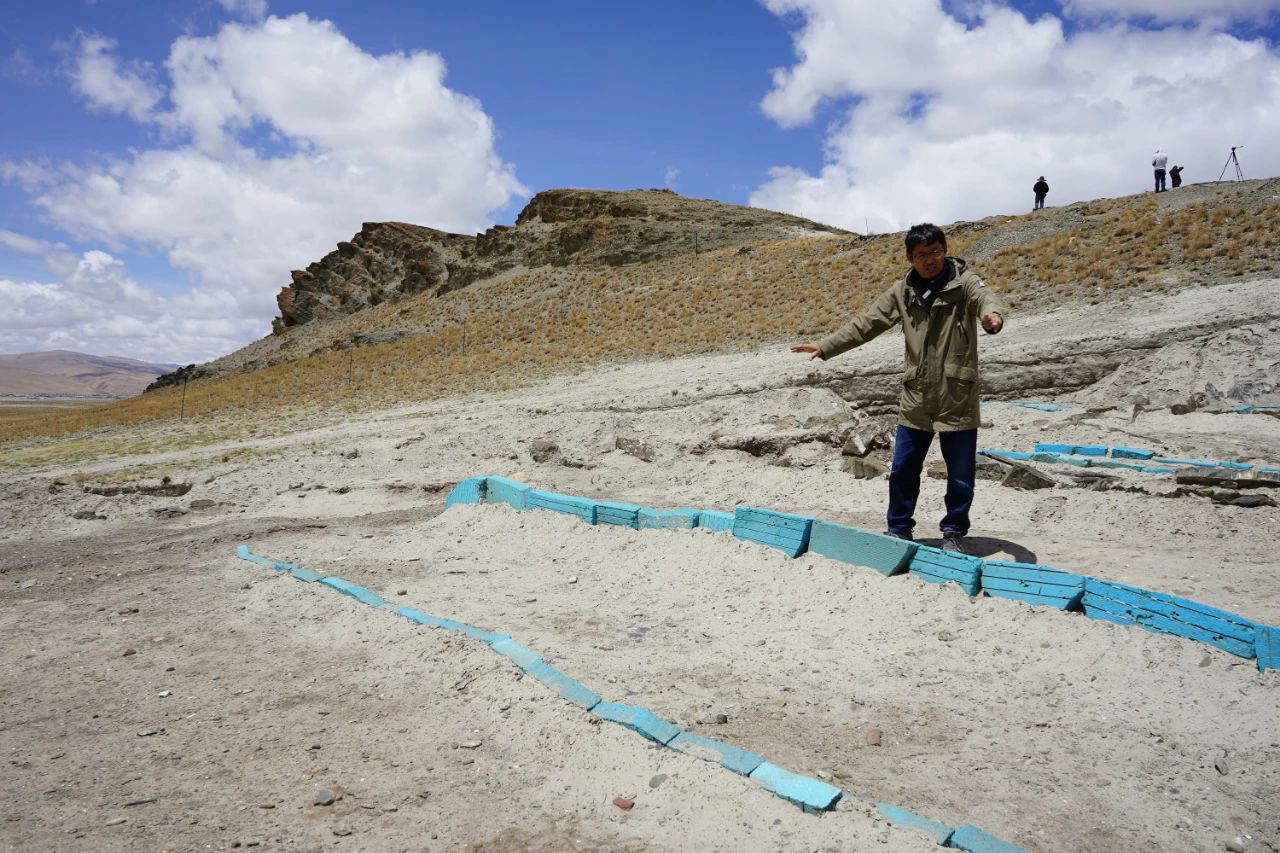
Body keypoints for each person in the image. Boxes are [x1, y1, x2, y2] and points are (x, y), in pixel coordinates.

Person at [791, 223, 1008, 554]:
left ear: (944, 250)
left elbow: (985, 298)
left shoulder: (963, 283)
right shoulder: (902, 292)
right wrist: (826, 346)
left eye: (935, 252)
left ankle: (953, 532)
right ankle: (899, 529)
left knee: (961, 474)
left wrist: (992, 316)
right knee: (903, 469)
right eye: (922, 255)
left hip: (957, 396)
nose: (930, 260)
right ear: (910, 257)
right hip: (916, 396)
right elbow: (867, 323)